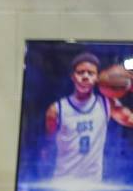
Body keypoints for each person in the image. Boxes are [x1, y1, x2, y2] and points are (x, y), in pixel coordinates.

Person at [44, 52, 133, 182]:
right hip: (62, 181)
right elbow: (48, 145)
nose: (85, 77)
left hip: (93, 183)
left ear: (97, 78)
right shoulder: (56, 110)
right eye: (80, 72)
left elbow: (130, 120)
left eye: (90, 73)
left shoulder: (107, 103)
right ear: (73, 77)